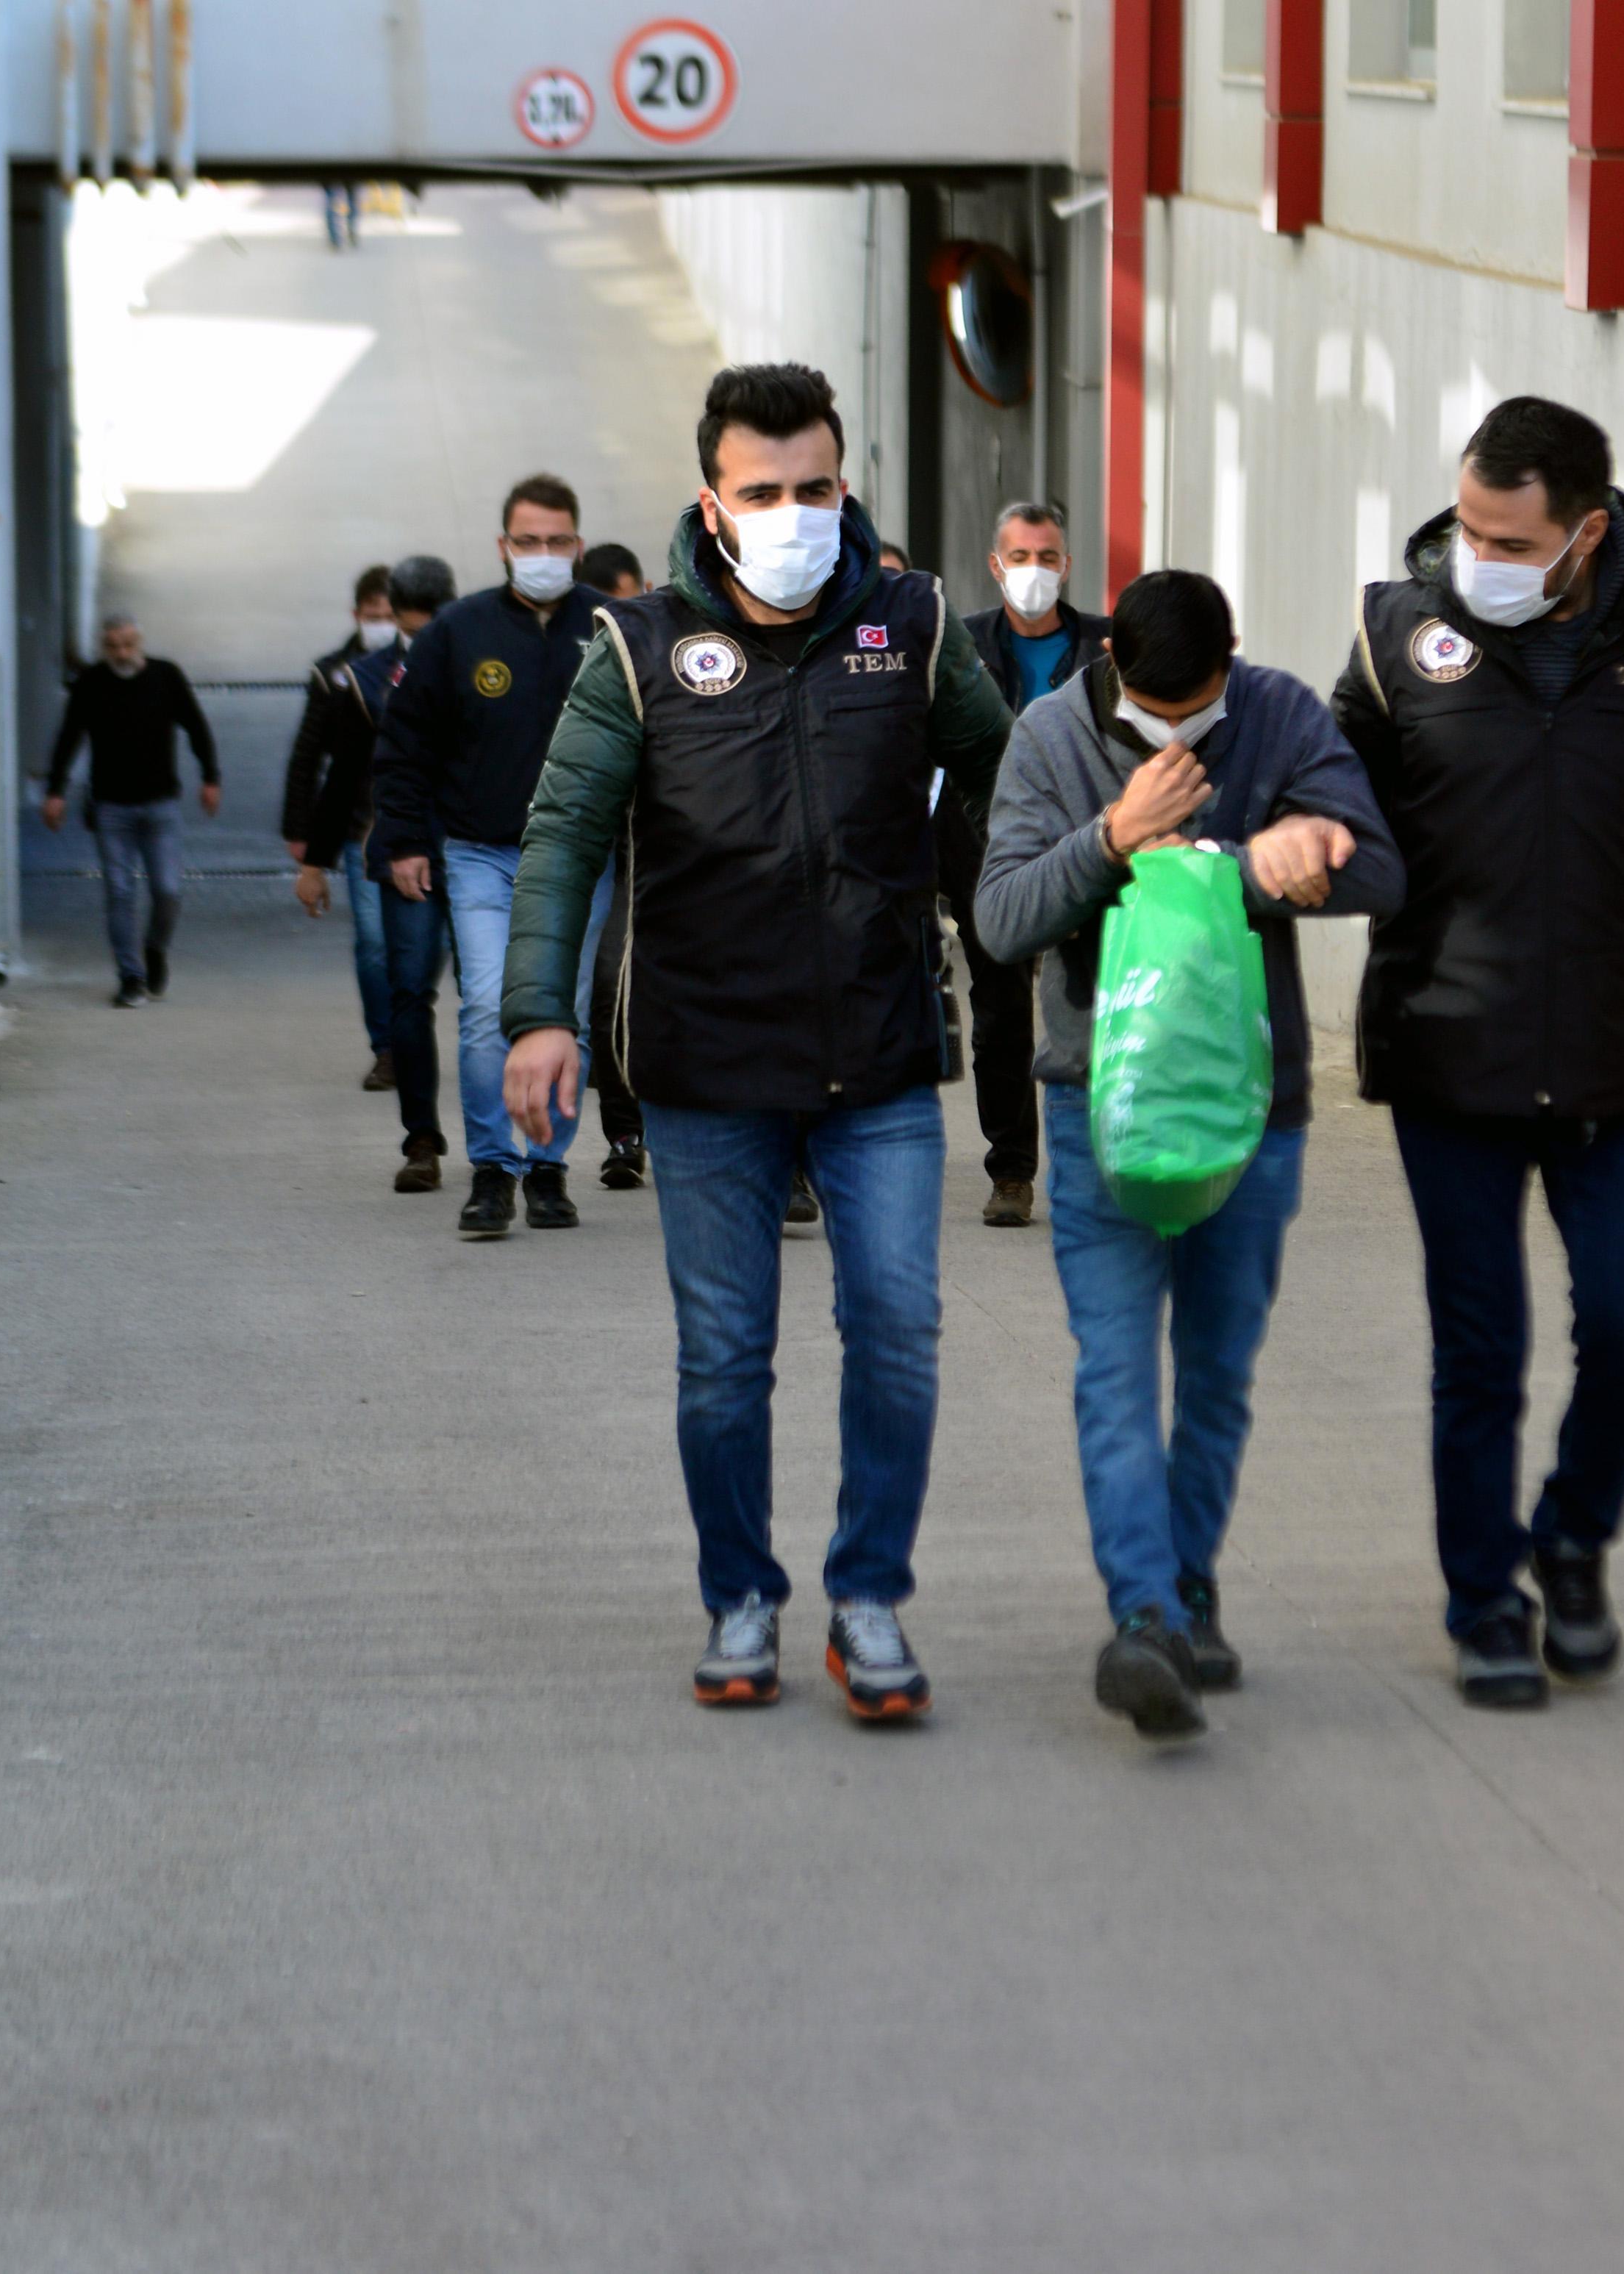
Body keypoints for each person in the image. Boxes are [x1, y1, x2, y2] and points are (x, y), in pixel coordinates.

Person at [498, 362, 1015, 1720]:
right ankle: (741, 1591)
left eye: (817, 489)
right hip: (707, 1064)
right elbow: (557, 838)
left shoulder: (910, 625)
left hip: (881, 1055)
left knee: (897, 1328)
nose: (796, 514)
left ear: (846, 486)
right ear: (713, 503)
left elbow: (1006, 785)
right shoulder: (638, 647)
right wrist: (540, 1014)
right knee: (727, 1357)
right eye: (765, 492)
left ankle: (868, 1599)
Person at [1331, 396, 1624, 1710]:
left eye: (1508, 537)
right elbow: (1326, 788)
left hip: (1619, 1053)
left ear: (1585, 534)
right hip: (1451, 1048)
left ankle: (1572, 1542)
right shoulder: (1397, 631)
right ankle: (1485, 1602)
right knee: (1482, 1349)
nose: (1476, 554)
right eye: (1466, 523)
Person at [978, 570, 1402, 1739]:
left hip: (1251, 1106)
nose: (1181, 731)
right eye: (1161, 711)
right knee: (1114, 1369)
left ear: (1236, 663)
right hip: (1098, 1105)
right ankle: (1147, 1616)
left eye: (1200, 710)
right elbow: (1003, 916)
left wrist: (1285, 853)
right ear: (1110, 657)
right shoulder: (1050, 737)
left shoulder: (1276, 714)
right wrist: (1117, 836)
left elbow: (1379, 867)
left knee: (1217, 1369)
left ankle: (1190, 1582)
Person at [368, 475, 612, 1239]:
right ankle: (491, 1170)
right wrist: (405, 841)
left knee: (562, 1016)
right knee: (484, 1010)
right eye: (529, 542)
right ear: (503, 547)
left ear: (577, 544)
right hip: (479, 855)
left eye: (558, 541)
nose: (544, 554)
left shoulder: (612, 628)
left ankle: (546, 1168)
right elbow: (404, 743)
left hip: (581, 860)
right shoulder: (458, 631)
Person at [951, 501, 1103, 1229]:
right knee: (1002, 1011)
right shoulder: (961, 646)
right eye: (1020, 558)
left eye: (1047, 558)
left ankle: (1109, 1157)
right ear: (995, 564)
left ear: (1066, 565)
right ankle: (1010, 1169)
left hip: (1098, 850)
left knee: (1099, 1003)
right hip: (993, 853)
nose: (1034, 572)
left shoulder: (1106, 646)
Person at [294, 554, 459, 1193]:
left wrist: (313, 862)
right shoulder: (365, 681)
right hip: (416, 852)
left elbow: (338, 777)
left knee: (425, 996)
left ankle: (445, 1143)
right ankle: (431, 1136)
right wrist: (316, 858)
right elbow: (344, 778)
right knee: (414, 992)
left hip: (455, 853)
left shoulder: (479, 657)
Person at [40, 615, 221, 1007]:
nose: (121, 653)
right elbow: (69, 736)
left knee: (168, 890)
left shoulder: (165, 676)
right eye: (113, 646)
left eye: (128, 645)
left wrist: (210, 777)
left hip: (161, 804)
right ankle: (131, 976)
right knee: (120, 892)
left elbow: (196, 725)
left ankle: (155, 948)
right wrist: (55, 791)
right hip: (111, 808)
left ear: (140, 643)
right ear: (104, 648)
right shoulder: (91, 683)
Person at [283, 563, 398, 1089]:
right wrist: (303, 835)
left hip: (426, 828)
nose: (382, 623)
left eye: (390, 615)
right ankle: (388, 1047)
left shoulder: (426, 664)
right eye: (373, 616)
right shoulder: (334, 674)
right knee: (374, 941)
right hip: (359, 830)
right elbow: (310, 758)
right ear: (357, 615)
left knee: (433, 948)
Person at [576, 543, 655, 1195]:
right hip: (640, 861)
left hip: (735, 864)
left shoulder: (682, 646)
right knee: (611, 987)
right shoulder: (597, 662)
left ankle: (788, 1158)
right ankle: (625, 1134)